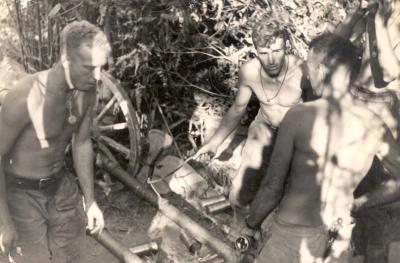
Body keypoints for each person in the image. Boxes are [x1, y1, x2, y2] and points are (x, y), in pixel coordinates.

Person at [244, 33, 400, 263]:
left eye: (309, 68)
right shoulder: (374, 125)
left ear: (324, 71)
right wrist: (356, 204)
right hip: (339, 242)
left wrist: (250, 225)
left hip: (292, 238)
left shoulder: (300, 115)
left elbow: (271, 187)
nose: (307, 76)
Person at [0, 20, 110, 262]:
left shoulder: (86, 92)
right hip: (22, 195)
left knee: (74, 257)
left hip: (61, 187)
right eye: (89, 67)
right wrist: (4, 222)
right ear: (66, 60)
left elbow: (81, 144)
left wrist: (90, 201)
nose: (97, 77)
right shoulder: (25, 96)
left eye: (101, 67)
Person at [192, 17, 308, 225]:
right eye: (264, 53)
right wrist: (214, 144)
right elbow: (237, 109)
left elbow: (318, 110)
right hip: (264, 129)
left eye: (277, 51)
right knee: (239, 193)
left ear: (285, 46)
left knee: (288, 194)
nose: (271, 59)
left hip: (295, 135)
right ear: (256, 51)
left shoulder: (302, 70)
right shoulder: (249, 71)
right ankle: (242, 233)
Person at [335, 1, 400, 261]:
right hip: (355, 98)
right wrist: (356, 12)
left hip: (384, 105)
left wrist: (379, 22)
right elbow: (336, 46)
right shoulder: (378, 8)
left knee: (386, 190)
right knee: (350, 180)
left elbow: (389, 70)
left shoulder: (386, 14)